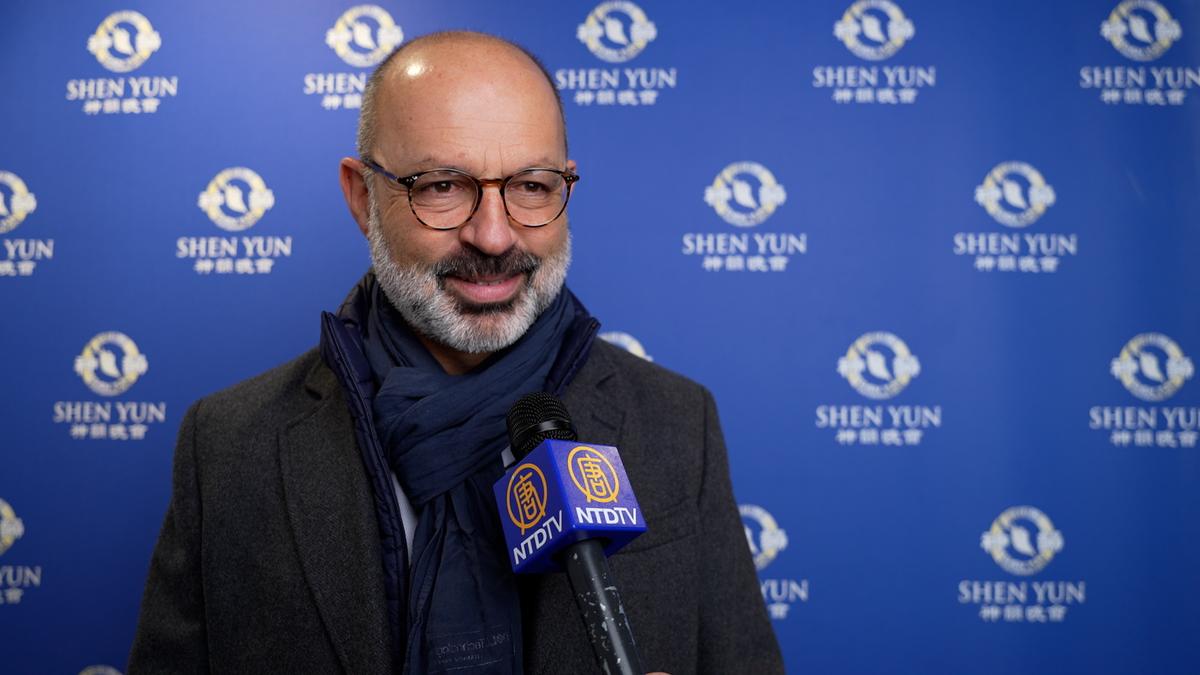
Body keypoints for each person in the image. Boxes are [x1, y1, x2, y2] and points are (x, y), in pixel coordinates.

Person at [129, 31, 782, 674]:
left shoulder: (678, 423)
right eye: (442, 185)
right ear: (362, 198)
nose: (493, 237)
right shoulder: (226, 445)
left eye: (532, 185)